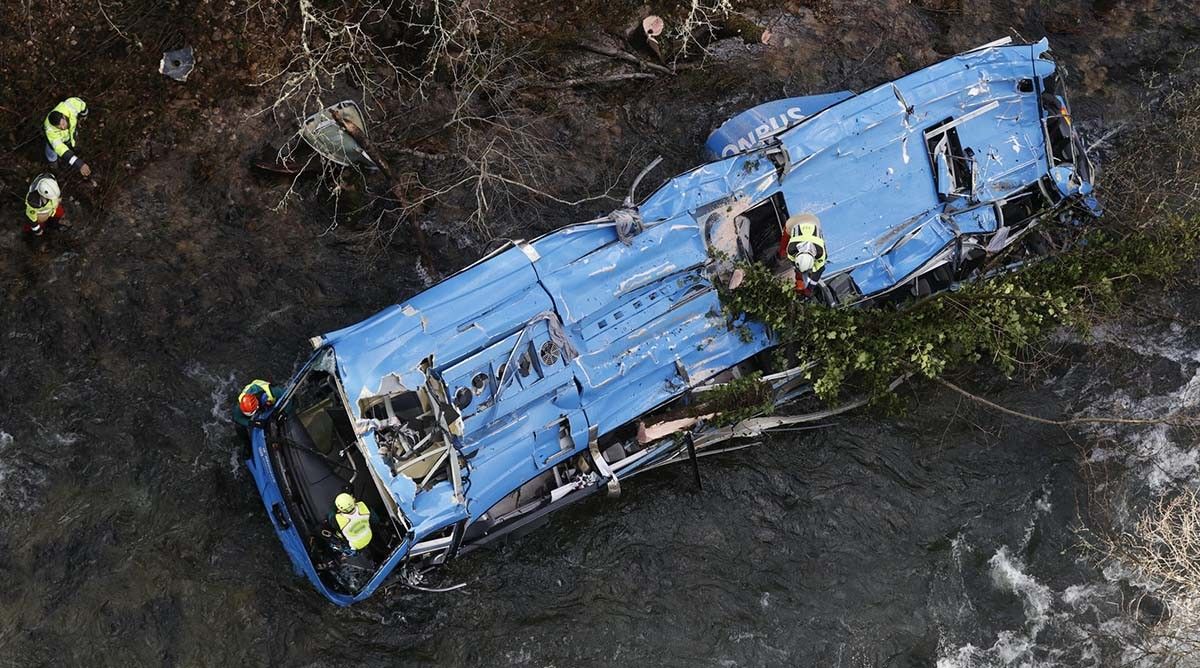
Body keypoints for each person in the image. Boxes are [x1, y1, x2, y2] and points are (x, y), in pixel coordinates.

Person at [44, 97, 92, 177]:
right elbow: (61, 150)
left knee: (74, 137)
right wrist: (79, 164)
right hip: (55, 142)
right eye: (59, 127)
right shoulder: (50, 131)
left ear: (63, 116)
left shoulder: (70, 105)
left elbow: (81, 105)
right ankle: (53, 165)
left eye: (63, 124)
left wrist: (84, 115)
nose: (63, 127)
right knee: (51, 152)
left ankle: (74, 145)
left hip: (70, 134)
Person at [782, 212, 827, 295]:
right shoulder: (791, 249)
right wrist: (799, 274)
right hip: (795, 222)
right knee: (783, 247)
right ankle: (779, 254)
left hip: (814, 222)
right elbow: (794, 264)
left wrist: (810, 288)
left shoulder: (821, 252)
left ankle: (800, 281)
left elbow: (820, 270)